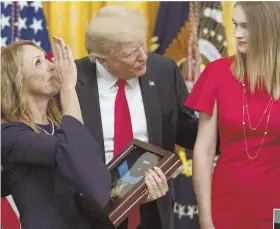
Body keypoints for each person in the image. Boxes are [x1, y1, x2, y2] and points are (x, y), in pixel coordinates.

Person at [74, 5, 198, 229]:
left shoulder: (164, 71)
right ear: (103, 60)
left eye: (143, 45)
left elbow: (187, 132)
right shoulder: (73, 82)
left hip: (153, 209)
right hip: (91, 213)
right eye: (132, 53)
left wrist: (227, 126)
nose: (144, 57)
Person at [185, 2, 280, 229]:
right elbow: (204, 150)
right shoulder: (217, 73)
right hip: (226, 204)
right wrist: (205, 219)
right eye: (235, 25)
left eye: (245, 26)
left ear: (268, 28)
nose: (237, 34)